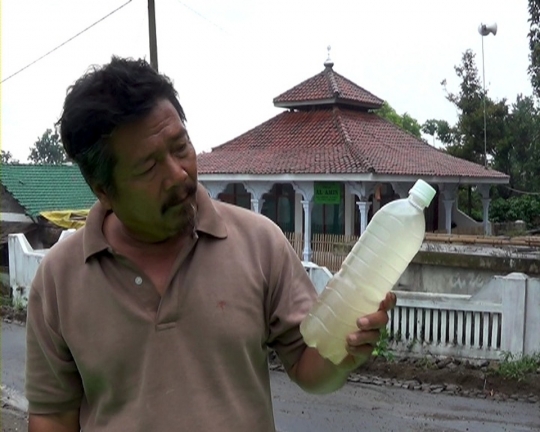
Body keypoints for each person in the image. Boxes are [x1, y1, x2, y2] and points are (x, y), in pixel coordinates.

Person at [25, 56, 396, 432]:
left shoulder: (258, 243)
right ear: (103, 190)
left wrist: (344, 353)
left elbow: (309, 368)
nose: (178, 173)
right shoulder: (59, 279)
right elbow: (51, 415)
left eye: (180, 146)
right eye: (149, 167)